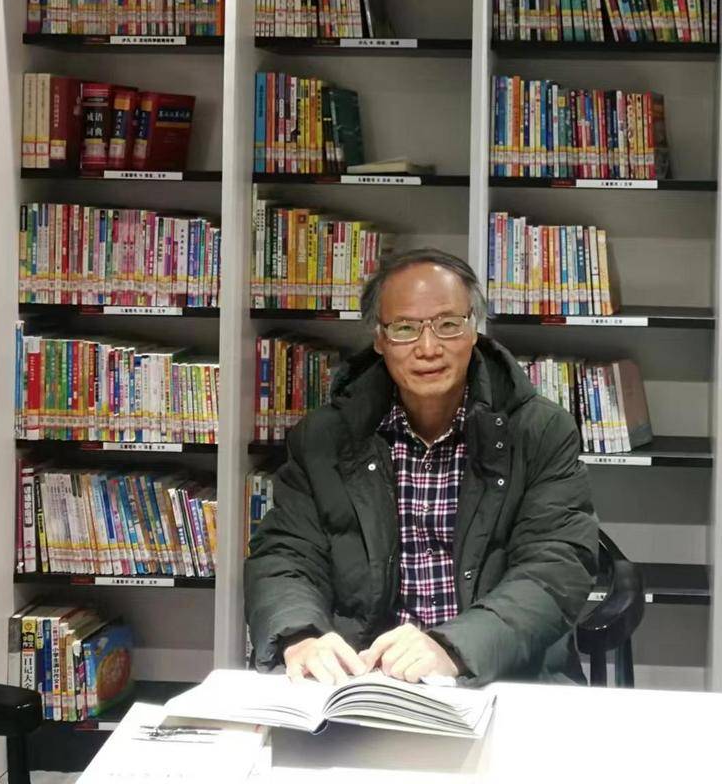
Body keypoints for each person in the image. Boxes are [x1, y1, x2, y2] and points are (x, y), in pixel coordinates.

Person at [246, 248, 599, 687]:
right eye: (405, 329)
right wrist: (300, 634)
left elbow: (554, 569)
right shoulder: (324, 439)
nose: (428, 349)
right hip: (365, 678)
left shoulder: (540, 431)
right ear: (379, 339)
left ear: (474, 329)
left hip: (500, 673)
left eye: (448, 325)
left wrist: (454, 647)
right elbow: (285, 554)